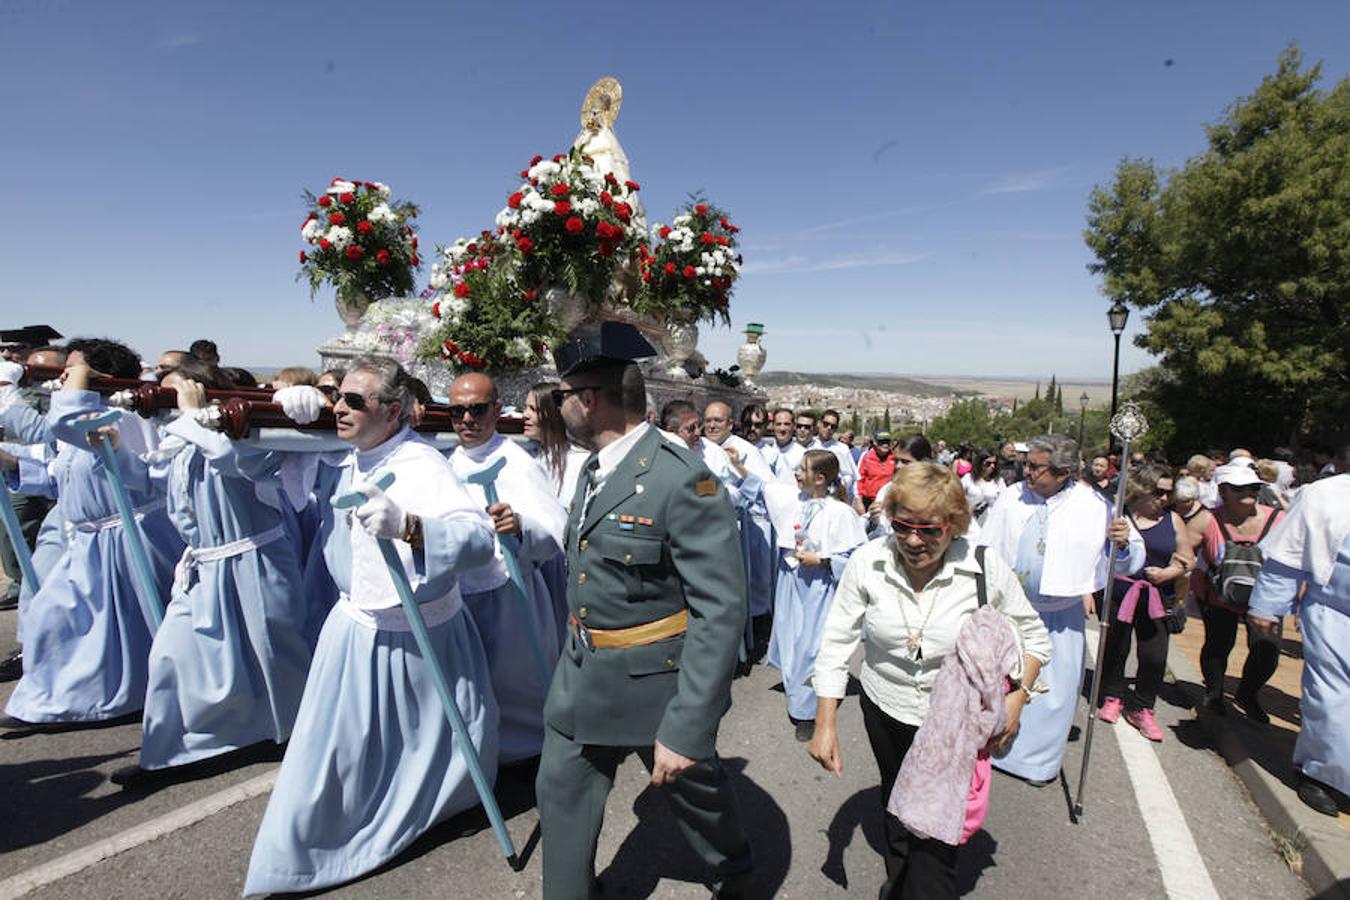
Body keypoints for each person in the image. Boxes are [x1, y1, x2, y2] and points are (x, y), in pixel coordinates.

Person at [245, 356, 500, 895]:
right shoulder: (347, 449)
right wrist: (294, 406)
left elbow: (477, 540)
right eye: (339, 397)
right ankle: (295, 855)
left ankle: (432, 808)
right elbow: (253, 456)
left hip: (416, 632)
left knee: (428, 746)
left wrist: (409, 526)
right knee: (334, 753)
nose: (341, 408)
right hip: (357, 628)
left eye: (355, 401)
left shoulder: (420, 464)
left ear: (395, 412)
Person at [535, 322, 753, 900]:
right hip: (582, 673)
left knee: (695, 793)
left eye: (561, 396)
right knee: (559, 791)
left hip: (656, 685)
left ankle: (734, 868)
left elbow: (720, 609)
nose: (558, 408)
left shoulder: (683, 480)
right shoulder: (595, 467)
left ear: (589, 399)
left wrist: (688, 726)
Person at [809, 462, 1050, 900]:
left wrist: (1018, 700)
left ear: (954, 526)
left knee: (937, 833)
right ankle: (898, 882)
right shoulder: (868, 562)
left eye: (929, 530)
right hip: (885, 707)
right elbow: (835, 643)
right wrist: (825, 724)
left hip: (954, 723)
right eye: (902, 526)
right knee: (897, 808)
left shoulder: (982, 567)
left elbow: (1035, 637)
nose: (914, 541)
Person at [112, 358, 312, 784]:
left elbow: (237, 462)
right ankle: (167, 753)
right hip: (205, 563)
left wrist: (193, 418)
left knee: (274, 655)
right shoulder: (183, 442)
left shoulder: (247, 432)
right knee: (171, 654)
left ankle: (295, 732)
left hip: (255, 559)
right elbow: (157, 482)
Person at [2, 340, 184, 725]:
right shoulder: (80, 418)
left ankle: (101, 700)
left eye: (73, 368)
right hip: (88, 541)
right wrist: (10, 464)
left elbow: (66, 424)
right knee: (53, 617)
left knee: (112, 630)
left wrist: (7, 390)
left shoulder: (127, 415)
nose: (64, 377)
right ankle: (53, 697)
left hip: (129, 537)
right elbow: (57, 474)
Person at [977, 434, 1139, 785]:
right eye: (1027, 464)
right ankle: (987, 744)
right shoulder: (1011, 497)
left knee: (1054, 692)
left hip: (1059, 615)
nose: (1028, 472)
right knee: (997, 680)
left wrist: (1122, 543)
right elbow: (983, 544)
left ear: (1064, 472)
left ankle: (1035, 762)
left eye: (1036, 467)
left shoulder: (1094, 506)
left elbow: (1125, 563)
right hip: (1009, 610)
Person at [445, 372, 565, 764]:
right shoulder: (447, 462)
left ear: (497, 410)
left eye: (477, 409)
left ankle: (529, 758)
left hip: (508, 592)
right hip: (460, 594)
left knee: (516, 682)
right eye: (457, 411)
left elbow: (553, 533)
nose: (466, 419)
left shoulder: (517, 463)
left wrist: (520, 526)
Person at [1247, 450, 1349, 816]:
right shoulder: (1325, 494)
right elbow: (1289, 553)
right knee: (1332, 696)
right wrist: (1267, 605)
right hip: (1334, 614)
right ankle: (1318, 774)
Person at [761, 449, 866, 741]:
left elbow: (857, 558)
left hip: (818, 587)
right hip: (791, 582)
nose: (796, 473)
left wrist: (822, 561)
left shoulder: (841, 513)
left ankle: (807, 712)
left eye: (802, 469)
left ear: (820, 478)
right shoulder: (796, 501)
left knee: (811, 648)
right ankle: (797, 692)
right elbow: (763, 487)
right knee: (790, 640)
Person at [1098, 464, 1191, 741]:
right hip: (1121, 592)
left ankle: (1142, 707)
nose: (1164, 499)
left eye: (1168, 493)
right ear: (1141, 489)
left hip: (1157, 596)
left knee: (1154, 655)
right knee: (1116, 647)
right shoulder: (1119, 516)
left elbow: (1187, 559)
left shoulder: (1173, 520)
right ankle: (1112, 695)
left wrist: (1169, 573)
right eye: (1158, 492)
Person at [1193, 462, 1285, 721]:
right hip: (1217, 595)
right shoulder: (1208, 518)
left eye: (1254, 487)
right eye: (1239, 488)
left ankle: (1248, 694)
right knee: (1219, 643)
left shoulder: (1279, 519)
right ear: (1223, 491)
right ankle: (1214, 695)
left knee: (1267, 648)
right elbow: (1183, 549)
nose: (1249, 492)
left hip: (1264, 597)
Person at [705, 401, 775, 650]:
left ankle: (756, 634)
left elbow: (767, 486)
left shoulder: (744, 449)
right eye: (708, 420)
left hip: (750, 524)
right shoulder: (703, 447)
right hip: (715, 527)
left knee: (754, 582)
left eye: (718, 421)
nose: (712, 425)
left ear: (730, 424)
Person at [810, 408, 861, 501]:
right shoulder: (809, 445)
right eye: (826, 424)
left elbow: (851, 476)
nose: (829, 428)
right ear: (819, 424)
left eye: (833, 426)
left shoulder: (842, 449)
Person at [760, 408, 804, 484]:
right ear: (772, 426)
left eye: (786, 424)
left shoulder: (802, 455)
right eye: (778, 424)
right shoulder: (762, 451)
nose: (782, 428)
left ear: (794, 426)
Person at [960, 447, 1001, 526]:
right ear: (980, 463)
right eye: (988, 463)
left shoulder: (998, 481)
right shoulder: (968, 479)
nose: (992, 466)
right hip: (970, 523)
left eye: (994, 463)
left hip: (990, 524)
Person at [857, 431, 896, 510]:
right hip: (869, 501)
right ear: (875, 443)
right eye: (882, 442)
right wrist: (859, 502)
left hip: (888, 501)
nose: (885, 445)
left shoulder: (895, 457)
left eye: (887, 442)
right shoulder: (866, 456)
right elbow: (859, 479)